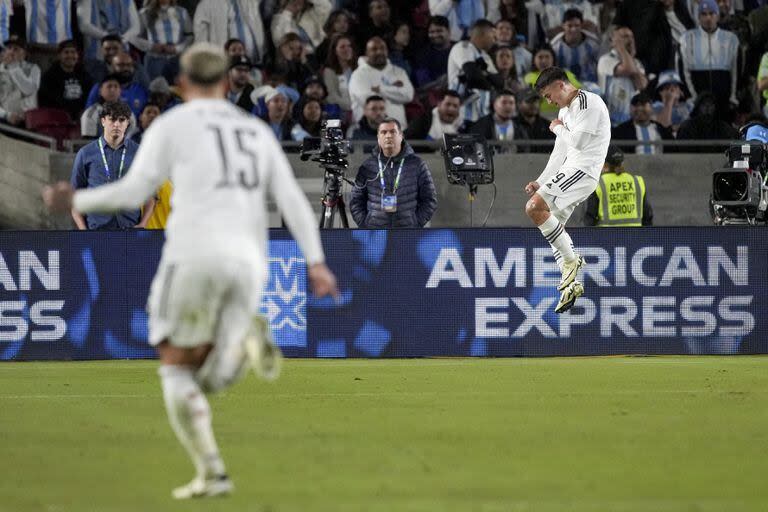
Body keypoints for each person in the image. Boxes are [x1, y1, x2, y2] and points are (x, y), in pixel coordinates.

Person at [42, 42, 339, 499]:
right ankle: (234, 367)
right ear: (227, 84)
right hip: (248, 261)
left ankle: (213, 467)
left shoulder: (173, 125)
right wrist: (315, 262)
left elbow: (133, 190)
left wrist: (75, 200)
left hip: (194, 255)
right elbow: (294, 201)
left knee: (175, 370)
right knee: (205, 374)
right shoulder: (255, 131)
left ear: (181, 84)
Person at [525, 67, 610, 314]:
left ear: (561, 84)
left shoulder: (588, 102)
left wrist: (556, 128)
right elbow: (559, 152)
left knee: (534, 208)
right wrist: (541, 181)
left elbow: (580, 143)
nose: (548, 101)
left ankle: (573, 261)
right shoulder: (564, 111)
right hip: (569, 172)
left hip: (582, 172)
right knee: (551, 225)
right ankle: (571, 285)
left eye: (549, 95)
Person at [69, 100, 154, 230]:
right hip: (97, 232)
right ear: (103, 121)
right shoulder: (86, 154)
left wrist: (143, 224)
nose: (116, 125)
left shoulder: (140, 153)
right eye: (112, 119)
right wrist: (83, 231)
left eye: (121, 120)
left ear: (127, 123)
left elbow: (149, 196)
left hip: (130, 231)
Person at [350, 117, 437, 228]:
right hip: (375, 233)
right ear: (378, 138)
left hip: (406, 233)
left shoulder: (417, 165)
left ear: (401, 136)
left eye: (393, 132)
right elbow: (356, 200)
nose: (388, 136)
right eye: (383, 132)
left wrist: (415, 223)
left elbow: (430, 200)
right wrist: (366, 224)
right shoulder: (368, 166)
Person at [678, 0, 739, 115]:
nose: (708, 18)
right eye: (704, 14)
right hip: (698, 101)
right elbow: (683, 71)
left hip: (723, 100)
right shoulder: (687, 39)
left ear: (717, 15)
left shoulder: (730, 39)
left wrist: (733, 97)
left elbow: (735, 71)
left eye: (712, 13)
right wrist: (692, 97)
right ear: (699, 17)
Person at [349, 36, 414, 129]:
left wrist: (380, 89)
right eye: (374, 49)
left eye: (382, 48)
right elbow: (368, 100)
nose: (379, 52)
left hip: (398, 130)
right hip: (367, 132)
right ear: (367, 53)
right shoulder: (358, 75)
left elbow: (408, 95)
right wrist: (396, 93)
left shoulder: (399, 72)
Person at [583, 145, 653, 227]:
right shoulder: (637, 181)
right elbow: (647, 216)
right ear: (622, 163)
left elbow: (590, 218)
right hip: (635, 237)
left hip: (606, 237)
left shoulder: (598, 183)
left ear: (604, 165)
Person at [447, 19, 498, 123]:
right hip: (461, 115)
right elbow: (473, 76)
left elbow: (499, 82)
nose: (495, 40)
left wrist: (483, 76)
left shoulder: (486, 56)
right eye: (493, 36)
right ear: (483, 33)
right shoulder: (462, 47)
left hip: (482, 115)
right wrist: (489, 82)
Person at [597, 26, 647, 126]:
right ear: (613, 41)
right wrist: (621, 48)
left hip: (630, 119)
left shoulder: (636, 63)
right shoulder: (605, 60)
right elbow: (628, 69)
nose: (630, 40)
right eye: (624, 36)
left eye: (631, 37)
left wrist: (631, 57)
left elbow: (642, 84)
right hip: (610, 119)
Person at [133, 0, 193, 81]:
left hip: (177, 59)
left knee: (180, 90)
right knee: (155, 90)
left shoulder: (182, 12)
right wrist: (151, 46)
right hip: (154, 60)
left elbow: (190, 35)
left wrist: (178, 48)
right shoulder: (144, 13)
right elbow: (132, 36)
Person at [193, 0, 266, 65]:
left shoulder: (249, 2)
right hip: (223, 63)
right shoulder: (205, 4)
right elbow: (201, 40)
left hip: (254, 60)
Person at [38, 39, 91, 121]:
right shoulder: (49, 76)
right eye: (66, 52)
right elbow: (47, 101)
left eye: (73, 52)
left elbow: (89, 97)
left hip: (82, 118)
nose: (70, 55)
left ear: (78, 56)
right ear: (59, 56)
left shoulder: (85, 75)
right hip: (57, 119)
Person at [85, 51, 149, 117]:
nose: (126, 68)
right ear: (112, 67)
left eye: (129, 65)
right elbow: (89, 115)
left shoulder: (140, 90)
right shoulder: (100, 88)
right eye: (121, 65)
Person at [77, 0, 141, 62]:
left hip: (122, 53)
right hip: (96, 55)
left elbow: (136, 27)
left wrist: (123, 39)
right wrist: (110, 39)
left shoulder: (127, 1)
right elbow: (84, 26)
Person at [549, 8, 600, 83]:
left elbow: (599, 66)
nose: (573, 29)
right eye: (570, 26)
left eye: (577, 25)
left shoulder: (593, 44)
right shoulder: (555, 46)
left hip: (590, 84)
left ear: (581, 25)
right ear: (563, 26)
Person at [0, 35, 41, 126]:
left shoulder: (33, 68)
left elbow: (29, 90)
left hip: (28, 121)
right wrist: (6, 115)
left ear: (24, 54)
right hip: (4, 121)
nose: (11, 52)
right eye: (9, 48)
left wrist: (13, 67)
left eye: (16, 49)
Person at [412, 15, 452, 89]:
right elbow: (423, 85)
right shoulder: (422, 54)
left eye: (439, 31)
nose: (435, 35)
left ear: (448, 31)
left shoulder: (458, 49)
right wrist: (439, 82)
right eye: (431, 32)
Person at [428, 0, 500, 41]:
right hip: (450, 37)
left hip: (479, 37)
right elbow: (435, 14)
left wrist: (483, 30)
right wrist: (450, 1)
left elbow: (493, 10)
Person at [322, 34, 356, 117]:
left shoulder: (357, 68)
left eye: (349, 46)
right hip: (339, 110)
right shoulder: (329, 71)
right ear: (335, 51)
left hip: (359, 109)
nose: (347, 49)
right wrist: (351, 106)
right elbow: (333, 97)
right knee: (330, 112)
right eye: (342, 47)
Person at [652, 69, 692, 135]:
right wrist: (670, 100)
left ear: (680, 90)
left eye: (675, 87)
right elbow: (663, 128)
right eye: (667, 87)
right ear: (660, 92)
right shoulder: (655, 107)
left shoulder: (689, 106)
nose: (672, 90)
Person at [515, 88, 554, 153]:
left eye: (536, 101)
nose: (534, 105)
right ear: (519, 104)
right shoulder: (512, 124)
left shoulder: (548, 125)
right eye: (529, 101)